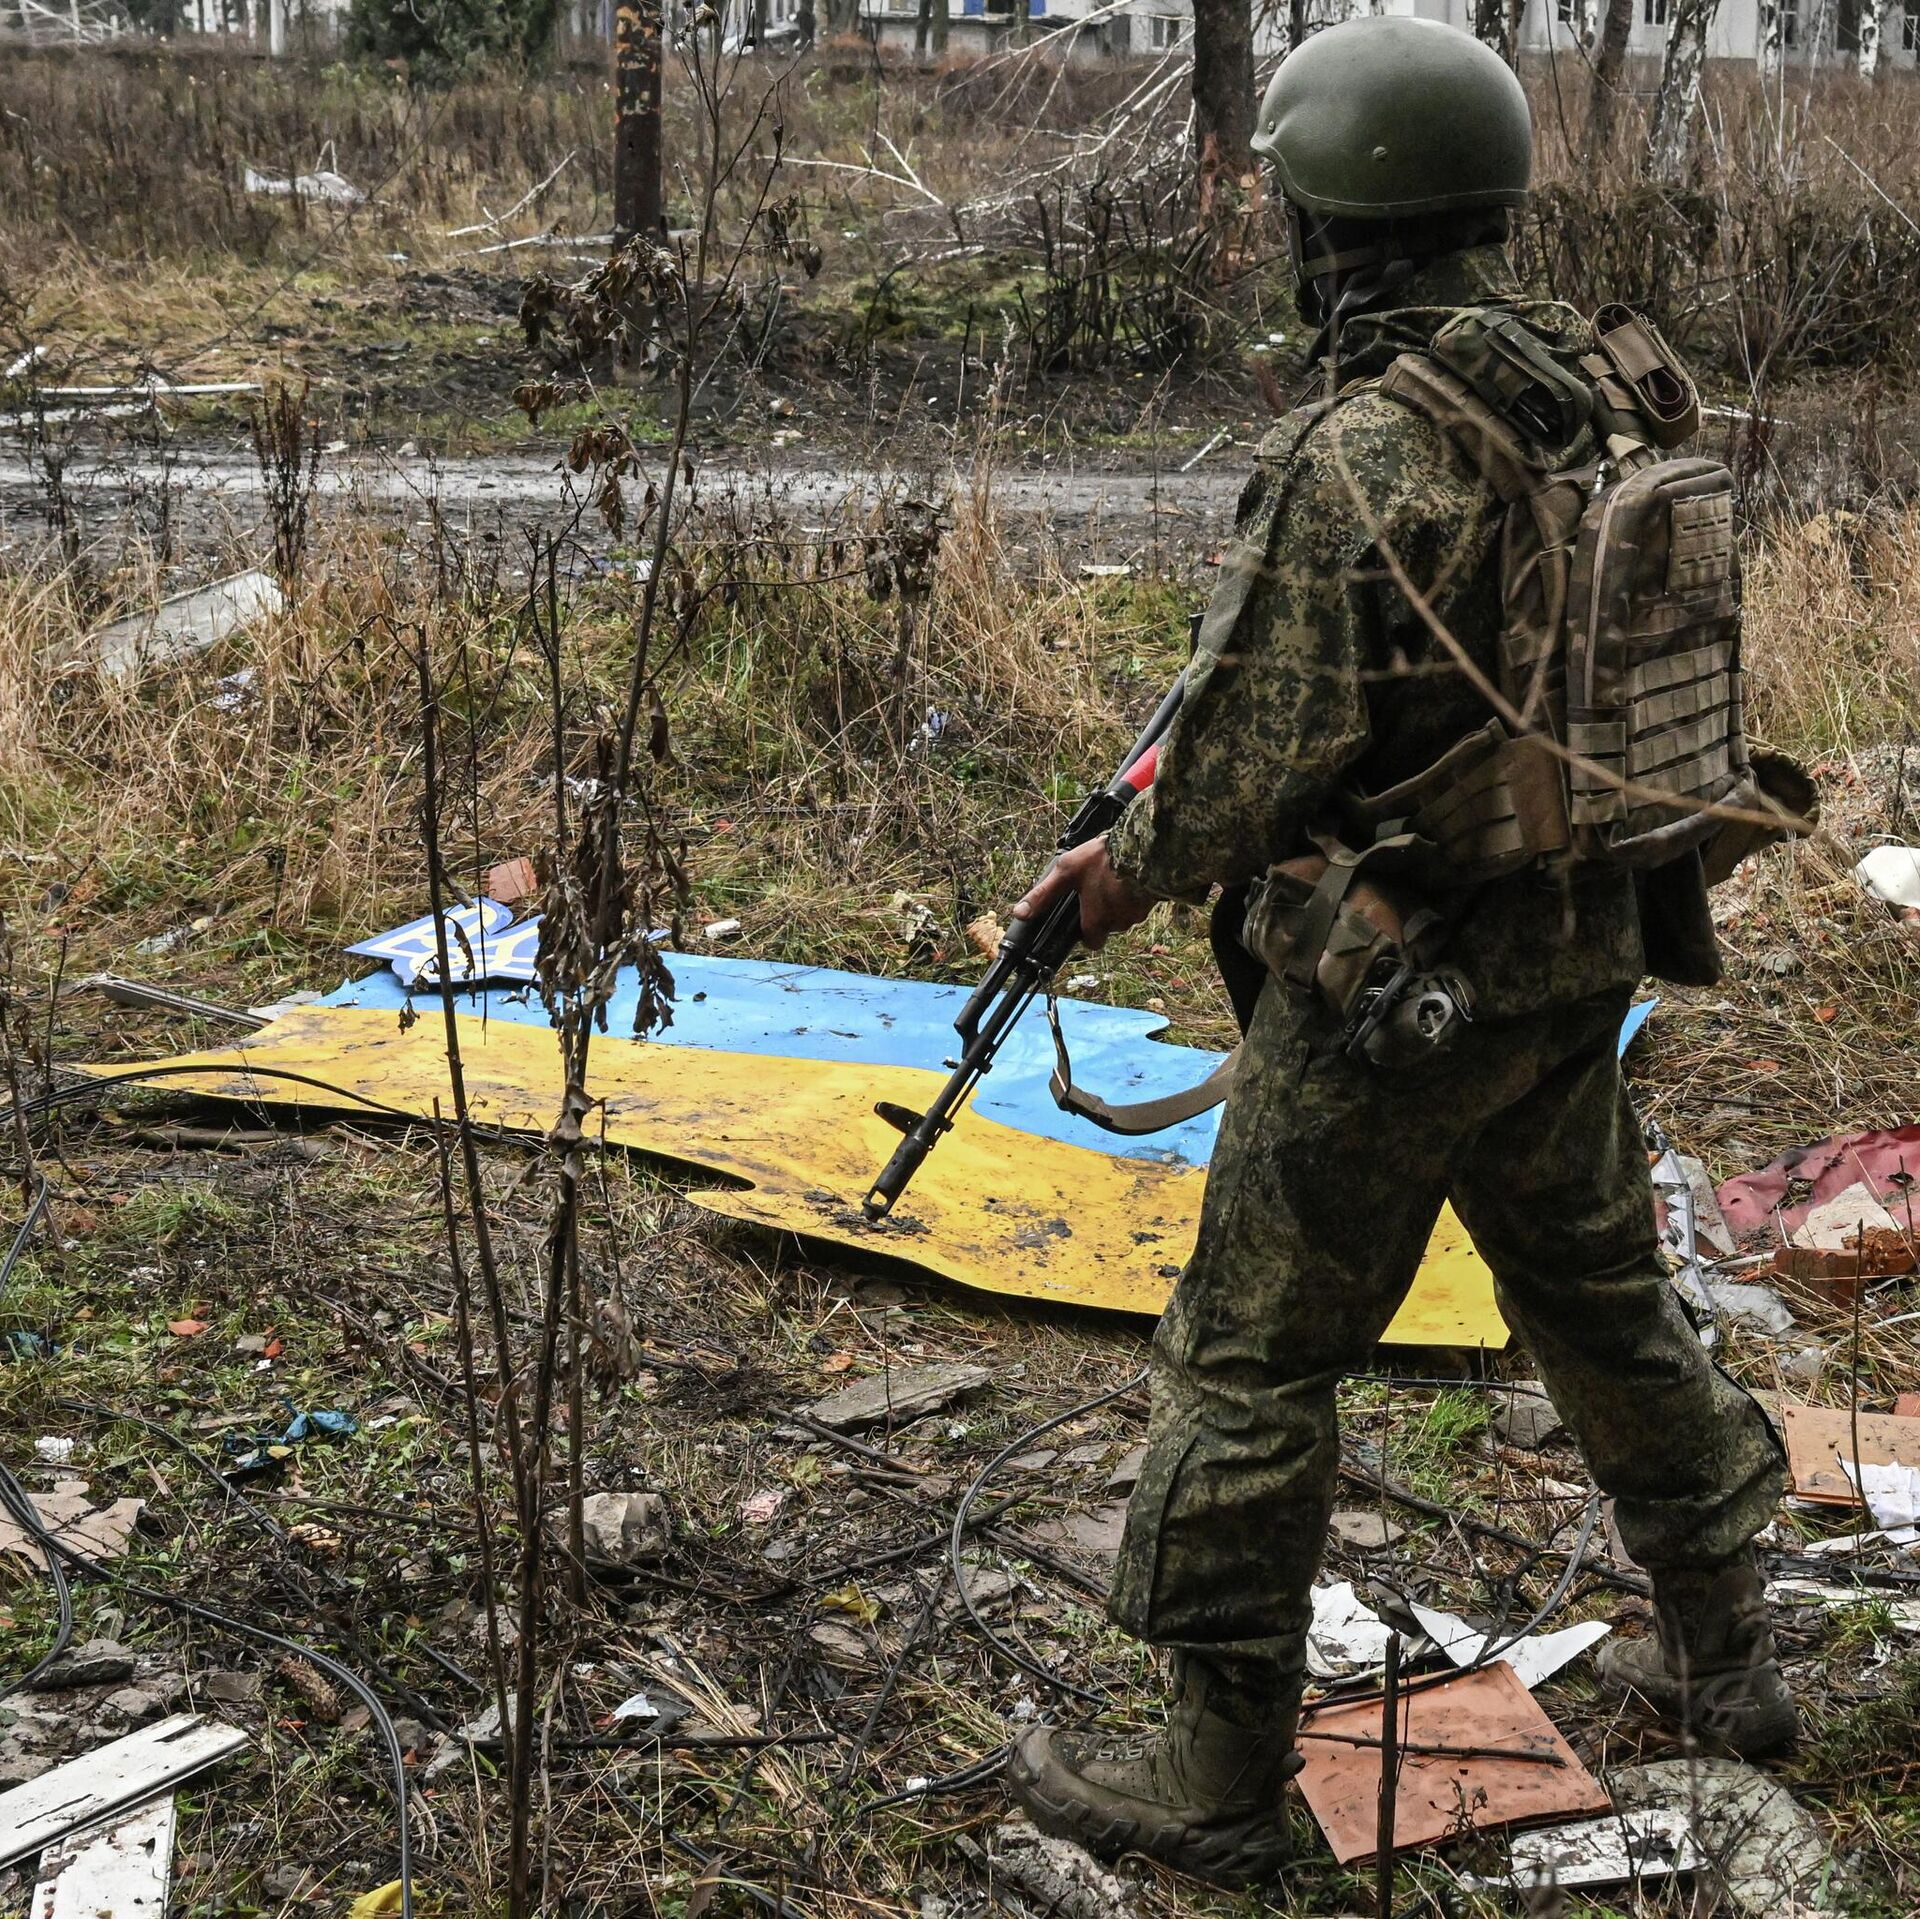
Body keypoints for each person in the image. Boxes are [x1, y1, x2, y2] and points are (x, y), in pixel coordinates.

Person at [1001, 17, 1797, 1891]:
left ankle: (1212, 1771)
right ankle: (1731, 1657)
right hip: (1580, 950)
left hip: (1402, 990)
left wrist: (1111, 877)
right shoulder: (1601, 388)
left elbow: (1233, 769)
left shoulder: (1357, 455)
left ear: (1329, 221)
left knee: (1249, 1355)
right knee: (1599, 1293)